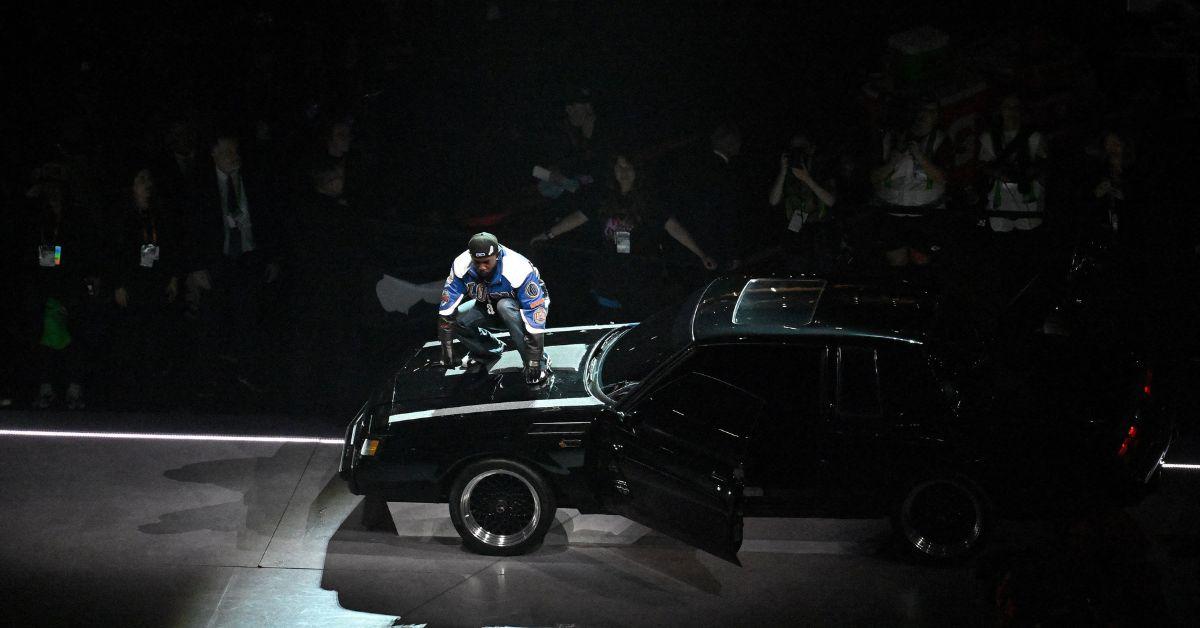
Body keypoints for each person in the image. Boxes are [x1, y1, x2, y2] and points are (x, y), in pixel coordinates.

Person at [531, 154, 715, 319]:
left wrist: (701, 254)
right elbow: (580, 216)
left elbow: (673, 226)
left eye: (627, 166)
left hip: (641, 276)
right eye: (619, 167)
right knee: (608, 318)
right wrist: (549, 234)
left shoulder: (649, 199)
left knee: (640, 319)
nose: (623, 171)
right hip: (610, 274)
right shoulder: (605, 196)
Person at [106, 165, 183, 406]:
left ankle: (154, 392)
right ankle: (131, 392)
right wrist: (118, 284)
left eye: (148, 180)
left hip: (156, 280)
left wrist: (173, 277)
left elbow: (170, 245)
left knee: (156, 334)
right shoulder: (123, 216)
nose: (146, 185)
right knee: (132, 336)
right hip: (132, 282)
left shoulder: (159, 213)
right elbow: (115, 252)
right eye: (141, 181)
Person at [437, 233, 550, 385]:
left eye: (486, 262)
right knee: (457, 319)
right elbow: (446, 311)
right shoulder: (461, 265)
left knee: (504, 306)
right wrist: (446, 349)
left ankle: (540, 361)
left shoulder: (518, 268)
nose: (481, 267)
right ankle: (487, 351)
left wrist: (535, 360)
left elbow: (535, 317)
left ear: (497, 255)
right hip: (487, 304)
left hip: (522, 310)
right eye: (477, 262)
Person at [870, 98, 952, 268]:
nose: (924, 115)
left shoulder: (942, 140)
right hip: (892, 211)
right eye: (922, 110)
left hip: (926, 213)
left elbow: (943, 178)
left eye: (931, 111)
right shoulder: (890, 138)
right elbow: (873, 178)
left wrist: (921, 158)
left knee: (922, 261)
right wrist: (893, 162)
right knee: (896, 261)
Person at [768, 131, 839, 273]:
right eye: (794, 150)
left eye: (802, 149)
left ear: (811, 148)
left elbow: (831, 201)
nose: (799, 154)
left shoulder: (823, 168)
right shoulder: (788, 173)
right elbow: (773, 201)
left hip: (821, 235)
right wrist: (783, 170)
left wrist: (807, 179)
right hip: (796, 236)